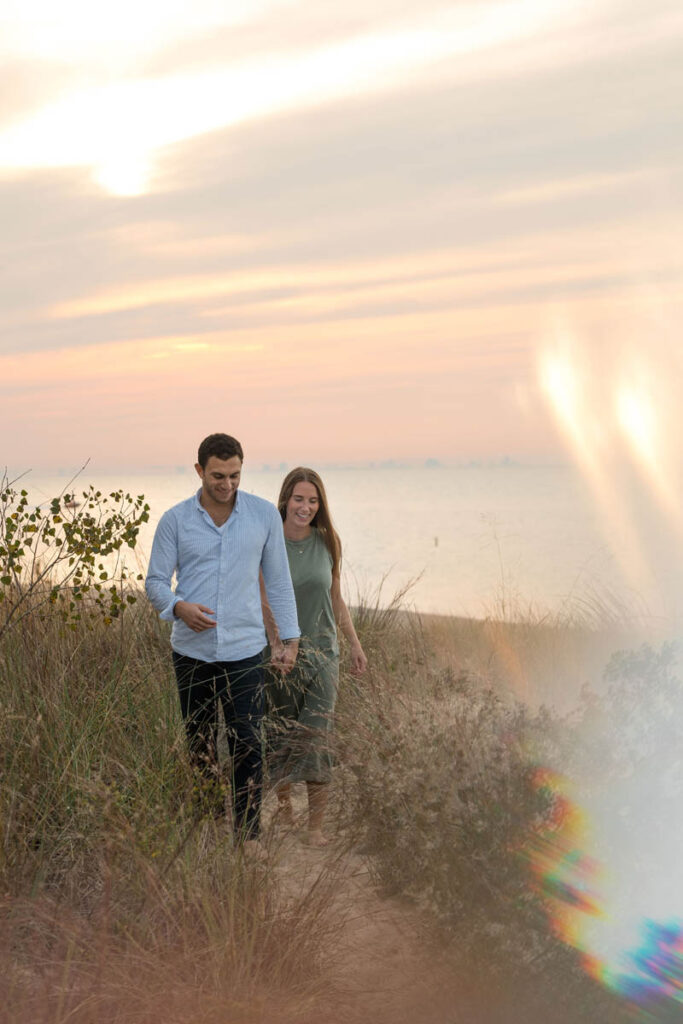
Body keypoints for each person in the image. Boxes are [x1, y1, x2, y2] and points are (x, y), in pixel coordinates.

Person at [145, 433, 300, 850]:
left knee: (248, 741)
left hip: (246, 651)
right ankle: (209, 823)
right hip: (190, 653)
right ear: (199, 470)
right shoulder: (175, 520)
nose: (227, 484)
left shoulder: (263, 515)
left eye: (234, 475)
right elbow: (156, 582)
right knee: (199, 742)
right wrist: (179, 608)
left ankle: (247, 834)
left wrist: (290, 638)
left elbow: (280, 583)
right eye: (217, 475)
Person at [263, 467, 367, 847]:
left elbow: (335, 597)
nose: (305, 507)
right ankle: (286, 809)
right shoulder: (268, 541)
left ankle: (315, 828)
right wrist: (277, 643)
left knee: (318, 735)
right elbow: (262, 598)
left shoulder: (328, 541)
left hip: (324, 652)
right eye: (299, 499)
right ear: (285, 500)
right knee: (280, 731)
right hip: (280, 654)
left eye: (313, 500)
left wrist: (354, 643)